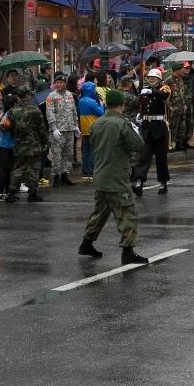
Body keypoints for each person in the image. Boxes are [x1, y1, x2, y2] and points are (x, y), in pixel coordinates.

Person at [79, 89, 147, 265]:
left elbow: (94, 143)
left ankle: (86, 243)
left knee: (100, 212)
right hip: (117, 175)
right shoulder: (122, 123)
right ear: (121, 105)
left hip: (100, 174)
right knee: (127, 212)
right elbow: (138, 145)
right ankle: (128, 250)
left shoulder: (97, 123)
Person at [132, 68, 172, 196]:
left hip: (159, 127)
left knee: (161, 157)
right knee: (143, 156)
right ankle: (139, 181)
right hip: (146, 127)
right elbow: (143, 105)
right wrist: (140, 115)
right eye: (150, 78)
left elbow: (164, 96)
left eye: (154, 78)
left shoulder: (164, 88)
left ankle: (163, 182)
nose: (151, 79)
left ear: (159, 79)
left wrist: (151, 91)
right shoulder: (144, 90)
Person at [5, 87, 47, 203]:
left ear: (18, 96)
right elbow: (42, 128)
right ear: (28, 95)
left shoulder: (12, 111)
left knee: (18, 168)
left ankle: (12, 193)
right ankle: (32, 194)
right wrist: (45, 142)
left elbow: (8, 127)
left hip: (19, 144)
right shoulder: (35, 110)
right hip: (34, 144)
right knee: (33, 169)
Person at [45, 74, 78, 186]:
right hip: (58, 131)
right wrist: (53, 128)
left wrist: (76, 125)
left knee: (67, 154)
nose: (60, 84)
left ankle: (65, 175)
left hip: (69, 129)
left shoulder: (70, 95)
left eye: (62, 82)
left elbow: (74, 111)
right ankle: (55, 177)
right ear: (55, 83)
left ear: (65, 83)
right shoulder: (51, 96)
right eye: (57, 82)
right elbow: (50, 113)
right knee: (57, 154)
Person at [76, 80, 104, 179]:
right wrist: (101, 104)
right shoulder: (92, 102)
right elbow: (101, 113)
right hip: (93, 129)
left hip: (84, 129)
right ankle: (91, 171)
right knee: (93, 151)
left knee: (85, 151)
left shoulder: (81, 100)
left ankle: (84, 170)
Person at [166, 62, 194, 150]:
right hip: (173, 109)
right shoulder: (168, 81)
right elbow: (167, 96)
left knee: (182, 127)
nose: (184, 70)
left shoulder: (181, 80)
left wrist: (185, 105)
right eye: (182, 68)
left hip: (182, 108)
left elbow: (182, 94)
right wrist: (169, 107)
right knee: (174, 128)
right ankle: (173, 145)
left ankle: (180, 144)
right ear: (177, 69)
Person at [0, 94, 17, 200]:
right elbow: (7, 128)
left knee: (7, 170)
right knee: (6, 170)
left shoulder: (6, 113)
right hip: (6, 145)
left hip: (4, 145)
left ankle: (7, 191)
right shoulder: (10, 115)